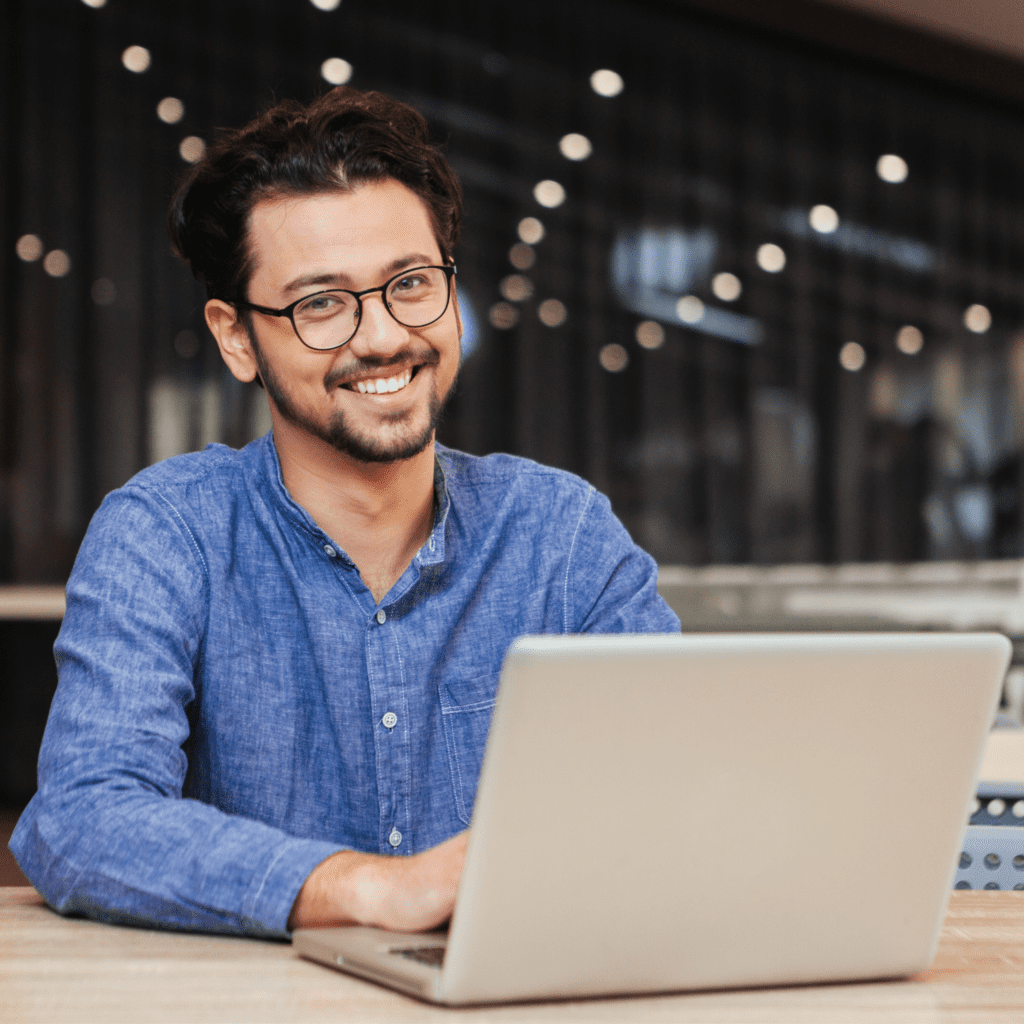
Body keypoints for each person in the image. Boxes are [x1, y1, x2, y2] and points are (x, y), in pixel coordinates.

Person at [9, 87, 680, 937]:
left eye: (409, 283)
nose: (382, 336)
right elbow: (82, 820)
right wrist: (359, 889)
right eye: (321, 302)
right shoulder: (166, 534)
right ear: (237, 337)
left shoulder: (560, 532)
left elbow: (677, 792)